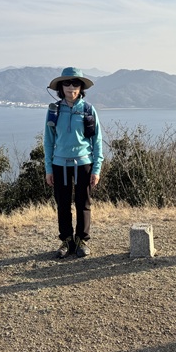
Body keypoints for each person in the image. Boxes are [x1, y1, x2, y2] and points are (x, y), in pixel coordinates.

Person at [44, 67, 103, 258]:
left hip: (83, 163)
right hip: (59, 165)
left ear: (81, 87)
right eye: (67, 83)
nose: (71, 87)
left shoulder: (88, 110)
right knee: (62, 204)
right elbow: (48, 141)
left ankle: (82, 240)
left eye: (75, 83)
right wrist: (48, 168)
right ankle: (66, 241)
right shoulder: (54, 111)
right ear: (61, 87)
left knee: (83, 203)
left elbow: (97, 141)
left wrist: (96, 169)